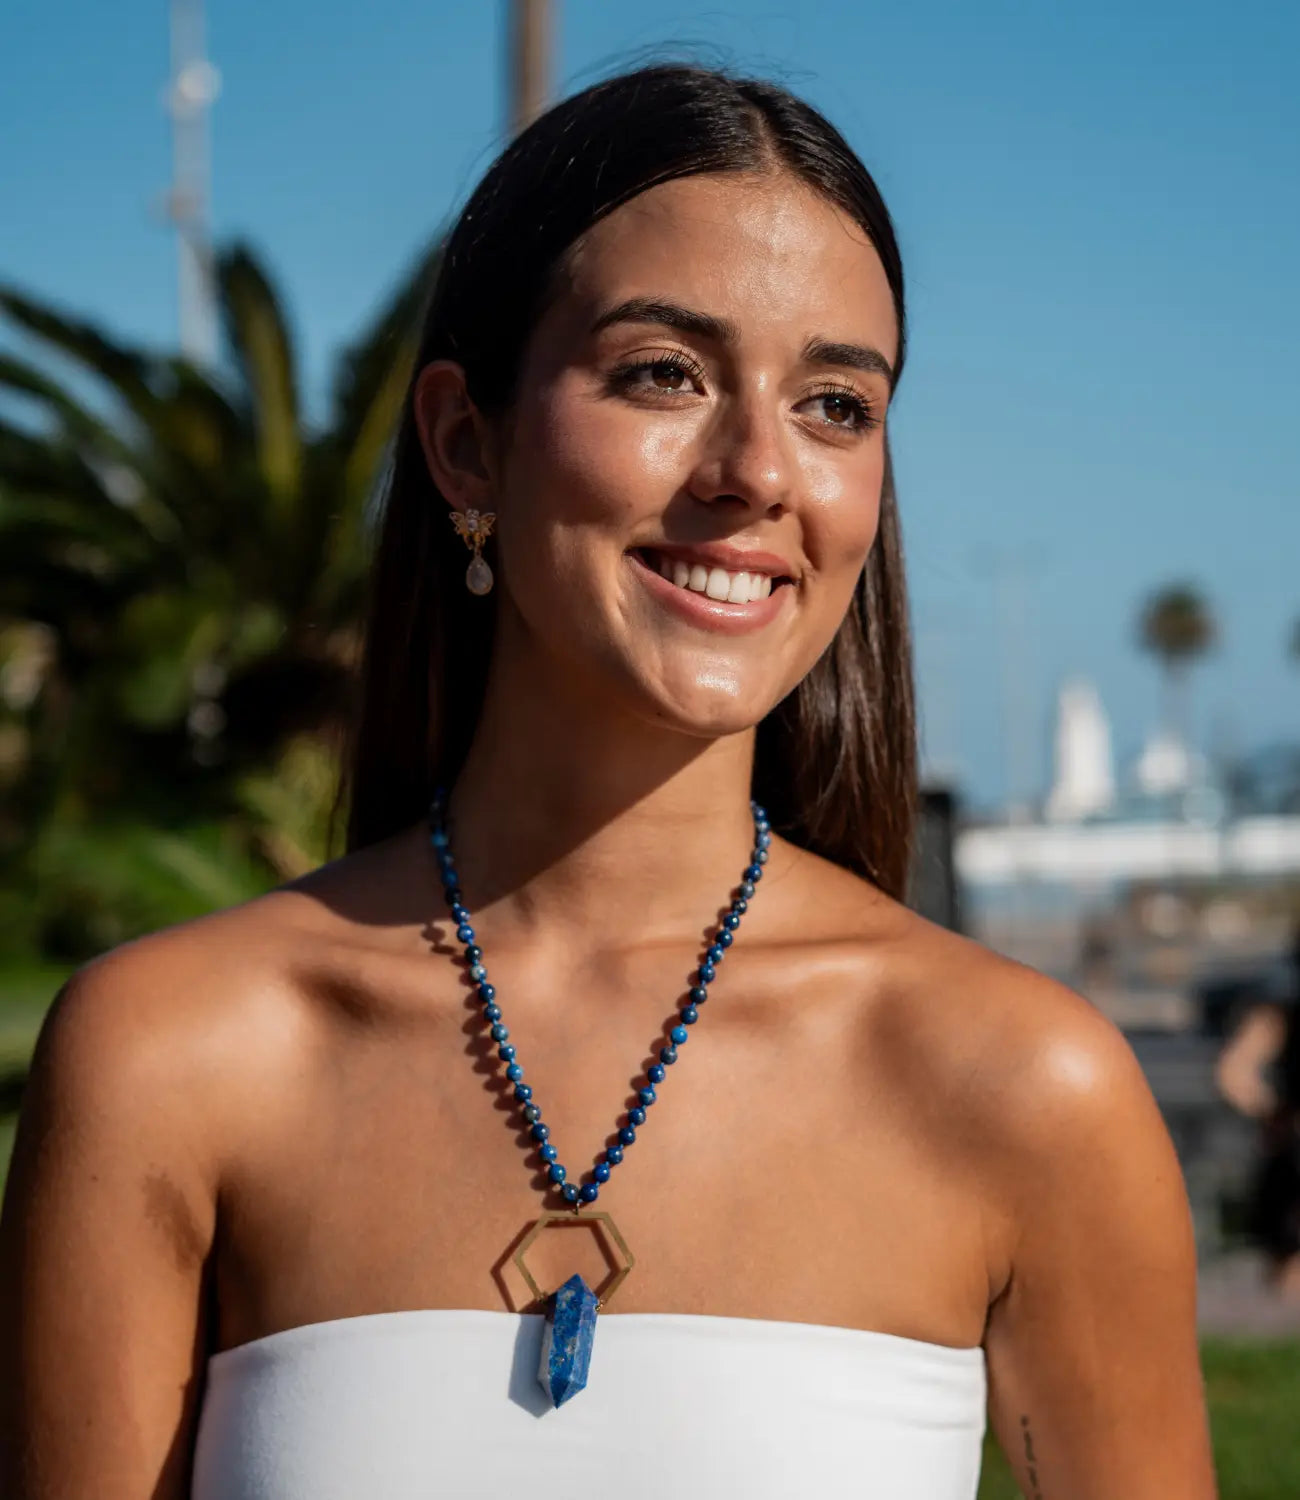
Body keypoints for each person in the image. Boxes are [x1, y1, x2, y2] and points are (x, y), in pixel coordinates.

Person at [0, 63, 1215, 1499]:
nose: (759, 469)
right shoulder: (170, 1060)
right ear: (466, 442)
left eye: (836, 402)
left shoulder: (1028, 1090)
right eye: (663, 374)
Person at [1215, 921, 1300, 1300]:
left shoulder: (1282, 992)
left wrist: (1276, 1117)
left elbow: (1234, 1072)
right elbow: (1234, 1072)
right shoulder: (1283, 996)